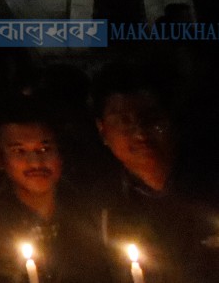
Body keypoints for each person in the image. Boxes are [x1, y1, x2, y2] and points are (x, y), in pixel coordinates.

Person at [92, 66, 219, 282]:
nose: (140, 133)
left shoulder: (210, 185)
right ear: (102, 130)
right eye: (124, 120)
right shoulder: (102, 208)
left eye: (150, 118)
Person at [0, 97, 111, 283]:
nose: (36, 163)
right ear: (0, 159)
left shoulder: (94, 210)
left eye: (44, 149)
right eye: (19, 151)